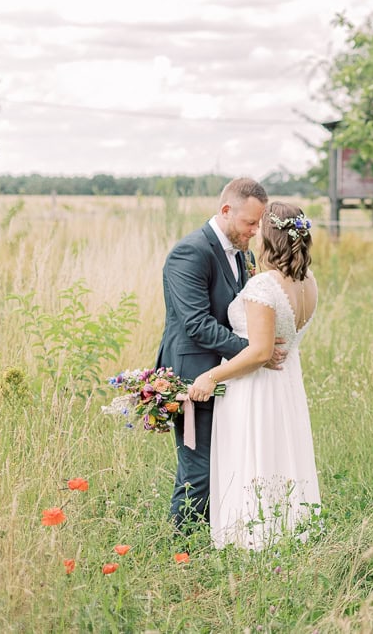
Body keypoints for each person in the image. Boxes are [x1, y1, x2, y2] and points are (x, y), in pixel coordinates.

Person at [187, 200, 321, 550]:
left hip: (256, 385)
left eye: (260, 226)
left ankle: (250, 540)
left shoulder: (264, 286)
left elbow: (260, 352)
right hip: (286, 382)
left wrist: (211, 376)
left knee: (255, 455)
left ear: (270, 235)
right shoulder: (308, 282)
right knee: (279, 453)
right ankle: (283, 533)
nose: (254, 231)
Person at [156, 178, 287, 529]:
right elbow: (197, 323)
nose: (256, 231)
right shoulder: (190, 252)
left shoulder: (243, 252)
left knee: (226, 465)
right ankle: (181, 551)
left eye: (259, 223)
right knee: (198, 473)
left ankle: (215, 541)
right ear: (226, 210)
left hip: (230, 375)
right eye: (250, 223)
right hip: (193, 376)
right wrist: (255, 351)